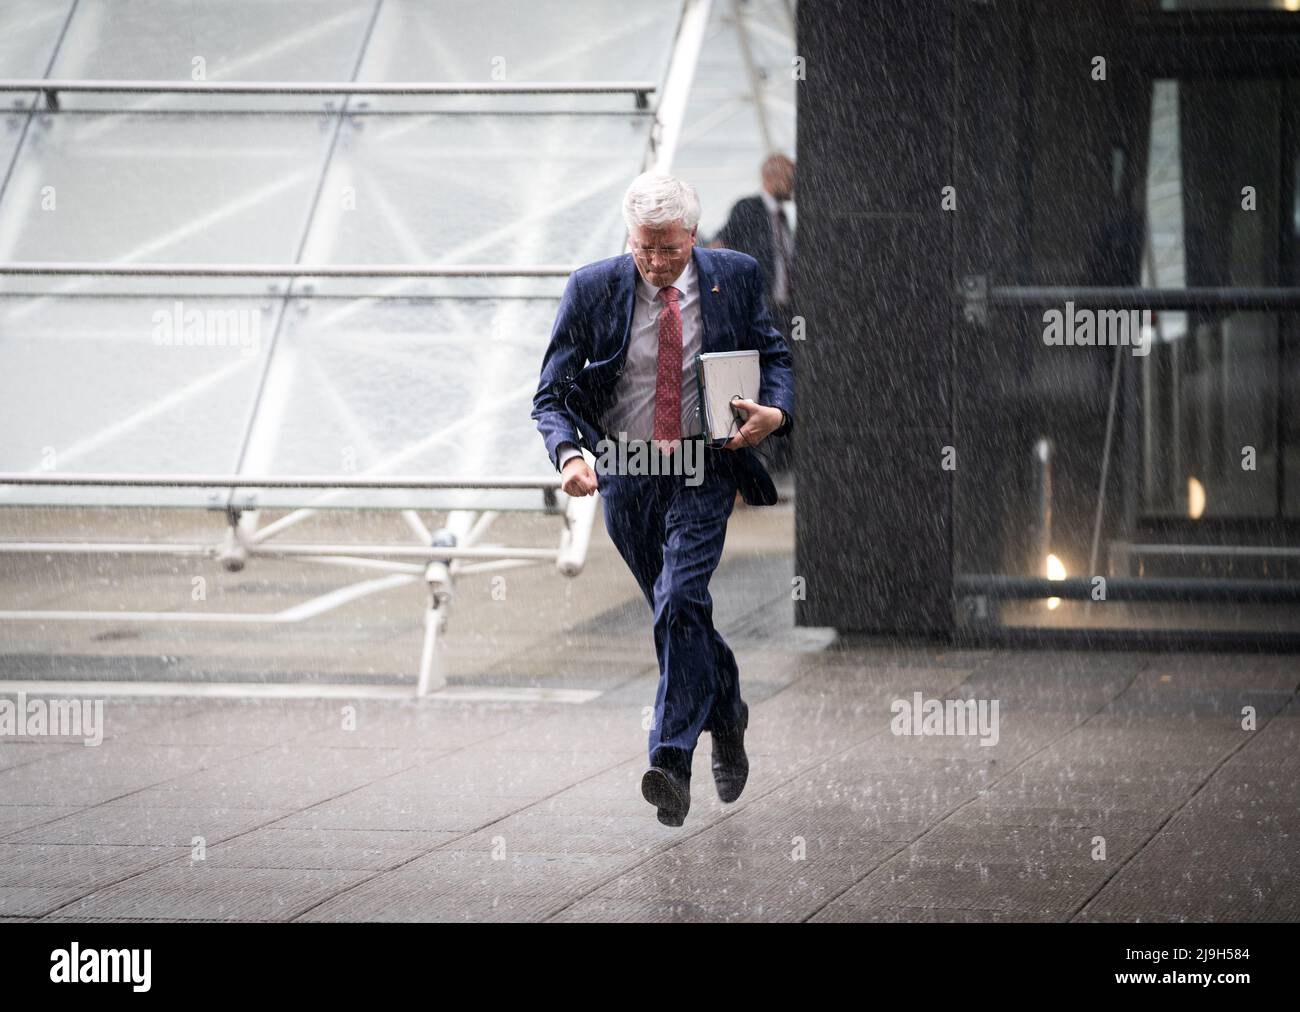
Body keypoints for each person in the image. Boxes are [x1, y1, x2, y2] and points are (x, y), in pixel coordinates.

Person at [531, 171, 795, 827]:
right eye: (643, 247)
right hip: (626, 474)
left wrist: (776, 413)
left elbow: (776, 354)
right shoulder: (593, 287)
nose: (655, 262)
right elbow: (550, 395)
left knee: (680, 600)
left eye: (669, 249)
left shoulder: (733, 273)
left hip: (706, 467)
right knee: (682, 616)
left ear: (694, 236)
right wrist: (568, 456)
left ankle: (670, 759)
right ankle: (728, 714)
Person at [708, 154, 797, 480]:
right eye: (791, 176)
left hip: (784, 311)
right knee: (756, 380)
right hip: (761, 311)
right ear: (773, 176)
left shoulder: (782, 218)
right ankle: (755, 458)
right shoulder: (749, 208)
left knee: (783, 374)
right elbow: (719, 245)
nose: (795, 184)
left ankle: (780, 454)